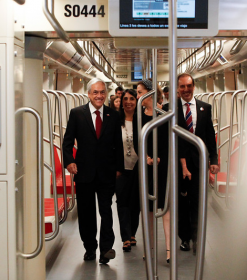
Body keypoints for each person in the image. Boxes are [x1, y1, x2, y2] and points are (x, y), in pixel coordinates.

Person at [63, 78, 124, 264]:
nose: (99, 96)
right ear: (89, 94)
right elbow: (67, 142)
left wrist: (119, 168)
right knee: (87, 213)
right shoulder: (76, 114)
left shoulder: (112, 116)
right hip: (84, 172)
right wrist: (69, 162)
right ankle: (90, 247)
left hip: (107, 172)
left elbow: (117, 144)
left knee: (106, 211)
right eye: (95, 92)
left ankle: (106, 249)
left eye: (102, 92)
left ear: (106, 94)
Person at [176, 73, 219, 254]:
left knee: (197, 201)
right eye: (182, 87)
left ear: (194, 87)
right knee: (181, 202)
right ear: (178, 89)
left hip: (198, 162)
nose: (186, 90)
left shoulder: (205, 108)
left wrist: (214, 160)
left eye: (189, 86)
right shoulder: (170, 109)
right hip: (178, 163)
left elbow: (209, 135)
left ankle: (196, 237)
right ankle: (184, 237)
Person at [136, 79, 170, 262]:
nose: (138, 96)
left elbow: (169, 140)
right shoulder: (138, 115)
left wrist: (159, 158)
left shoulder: (165, 114)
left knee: (166, 208)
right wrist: (147, 157)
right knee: (148, 210)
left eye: (140, 92)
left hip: (163, 165)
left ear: (150, 93)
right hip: (146, 166)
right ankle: (148, 248)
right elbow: (137, 141)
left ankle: (169, 250)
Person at [115, 89, 140, 252]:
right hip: (120, 169)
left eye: (132, 98)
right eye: (125, 99)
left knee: (135, 203)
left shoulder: (141, 121)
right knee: (122, 202)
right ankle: (125, 237)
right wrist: (115, 168)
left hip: (138, 168)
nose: (128, 101)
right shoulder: (116, 121)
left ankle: (133, 233)